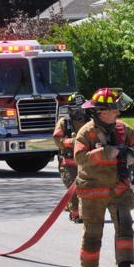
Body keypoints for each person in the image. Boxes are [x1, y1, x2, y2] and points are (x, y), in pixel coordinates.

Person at [73, 87, 134, 267]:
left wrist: (132, 154)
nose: (118, 113)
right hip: (93, 192)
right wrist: (103, 153)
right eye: (114, 109)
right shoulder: (86, 132)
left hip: (119, 190)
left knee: (125, 228)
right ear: (102, 112)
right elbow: (79, 157)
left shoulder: (122, 129)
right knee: (93, 232)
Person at [52, 93, 86, 223]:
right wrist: (71, 142)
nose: (79, 112)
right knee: (73, 188)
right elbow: (57, 139)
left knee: (87, 188)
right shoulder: (64, 123)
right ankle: (75, 213)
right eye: (76, 109)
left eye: (81, 108)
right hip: (68, 164)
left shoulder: (90, 122)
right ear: (70, 109)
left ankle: (78, 209)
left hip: (85, 162)